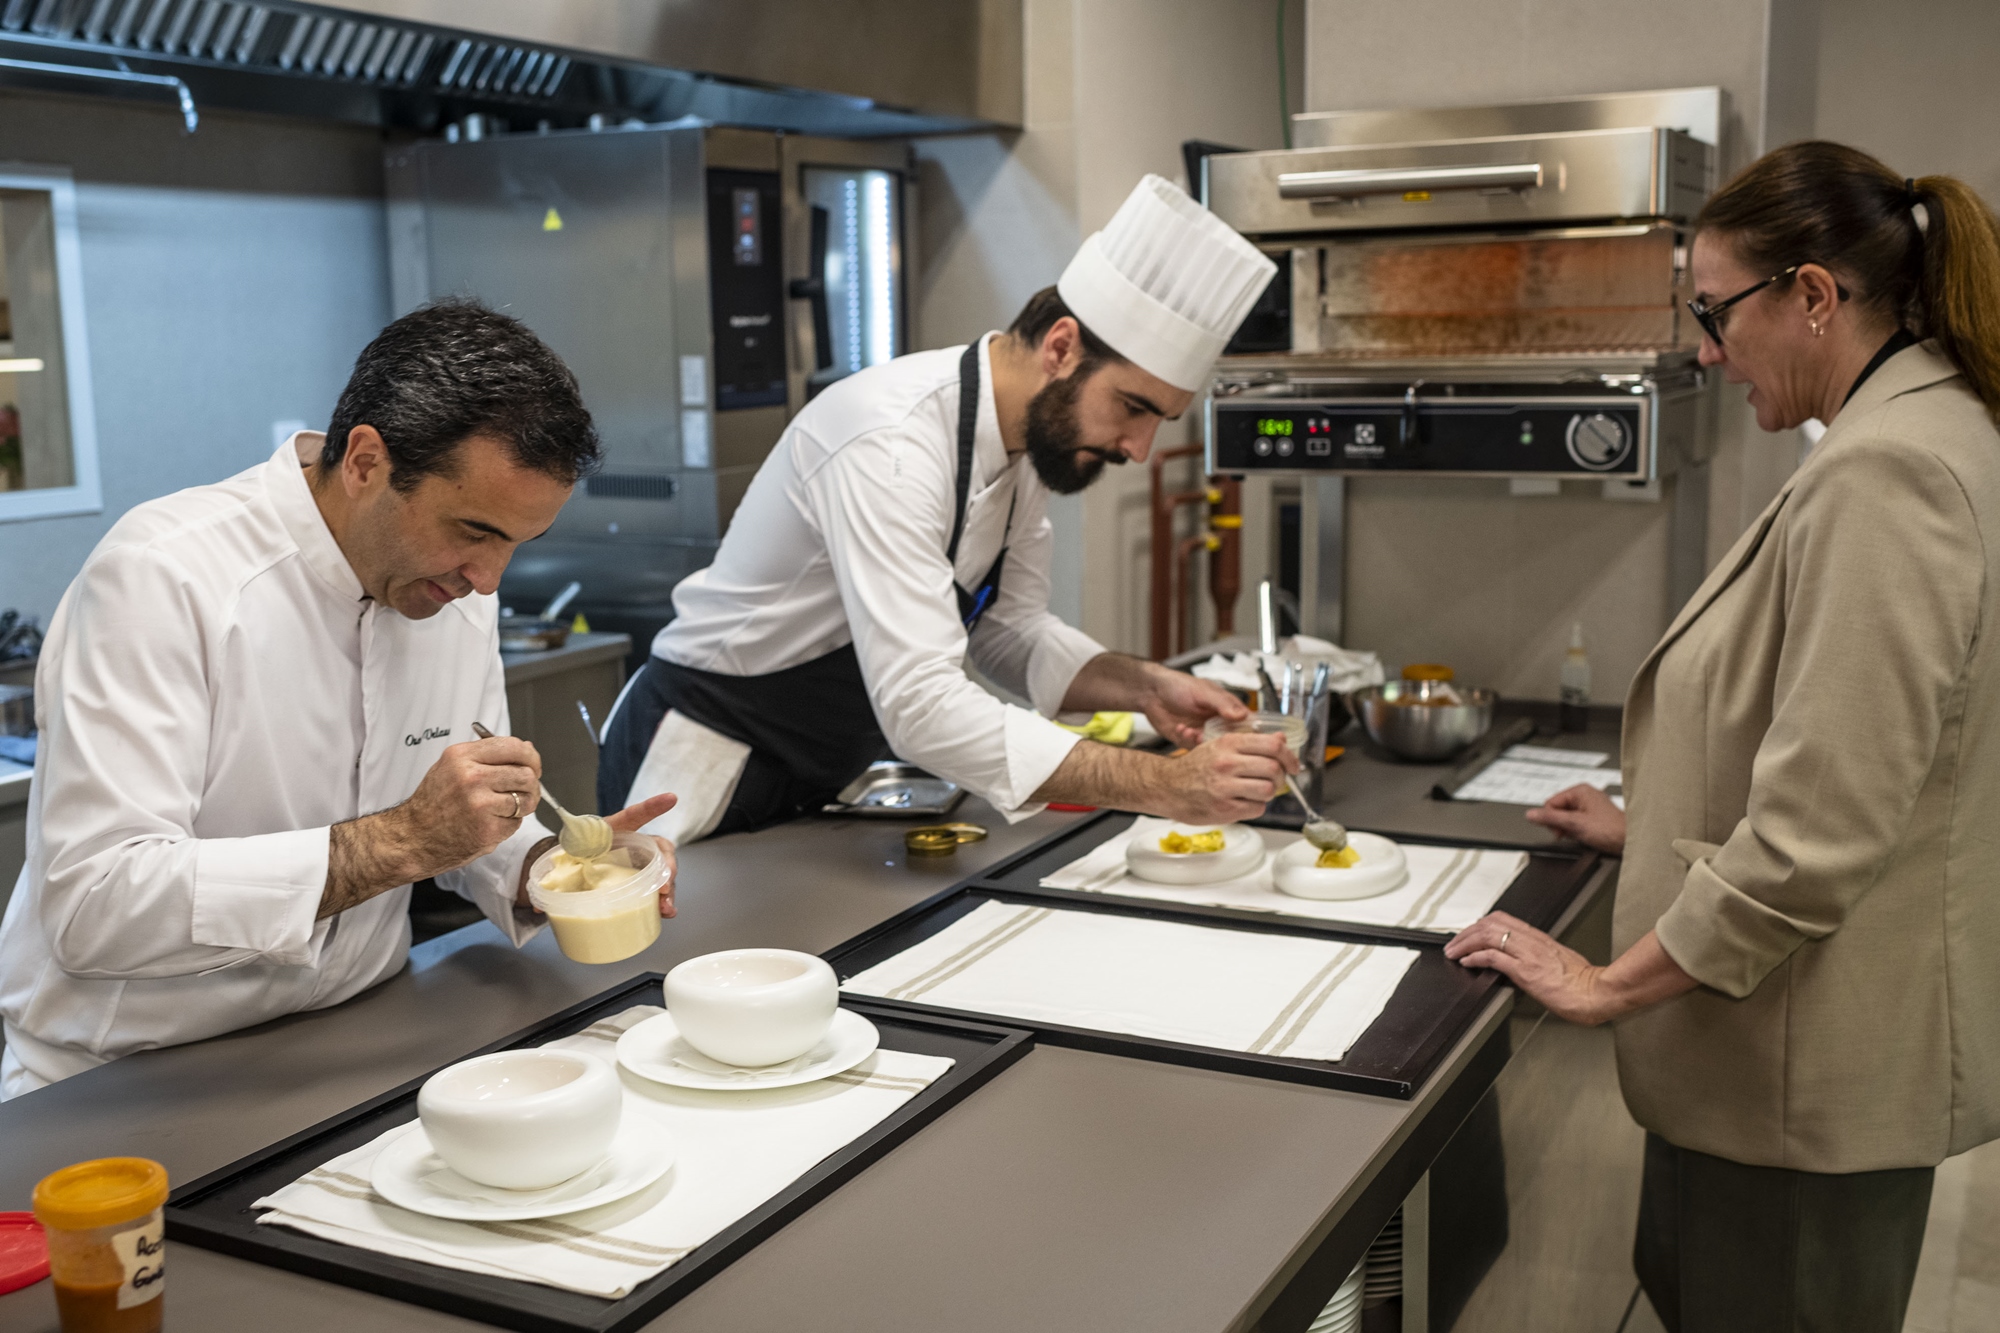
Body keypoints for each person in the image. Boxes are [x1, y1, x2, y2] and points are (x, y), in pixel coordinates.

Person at [1445, 141, 2000, 1332]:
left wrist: (1600, 983)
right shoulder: (1923, 428)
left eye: (1713, 311)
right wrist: (1644, 830)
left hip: (1802, 1090)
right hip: (1787, 1070)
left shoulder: (1889, 469)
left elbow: (1817, 832)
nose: (1704, 349)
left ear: (1810, 295)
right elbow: (1879, 756)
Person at [0, 301, 679, 1098]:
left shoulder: (454, 589)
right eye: (472, 530)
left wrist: (545, 866)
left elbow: (455, 819)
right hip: (129, 1079)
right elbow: (96, 906)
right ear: (365, 461)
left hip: (359, 1040)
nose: (488, 578)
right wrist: (399, 841)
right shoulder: (164, 577)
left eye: (515, 544)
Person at [599, 174, 1298, 843]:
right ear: (1061, 347)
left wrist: (1143, 686)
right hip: (698, 764)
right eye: (1133, 407)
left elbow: (1007, 630)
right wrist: (1165, 784)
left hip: (815, 772)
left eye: (1160, 422)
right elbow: (921, 705)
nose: (1140, 448)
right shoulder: (889, 442)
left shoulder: (1021, 448)